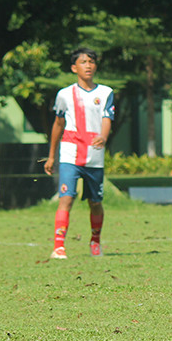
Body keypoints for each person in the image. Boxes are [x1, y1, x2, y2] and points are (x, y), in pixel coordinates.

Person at [44, 48, 115, 258]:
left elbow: (106, 118)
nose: (88, 65)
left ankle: (95, 241)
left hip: (94, 155)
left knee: (95, 202)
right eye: (83, 62)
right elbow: (58, 124)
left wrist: (103, 136)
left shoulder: (105, 92)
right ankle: (59, 246)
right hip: (70, 153)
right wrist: (51, 155)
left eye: (91, 61)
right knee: (66, 198)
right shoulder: (64, 94)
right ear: (74, 67)